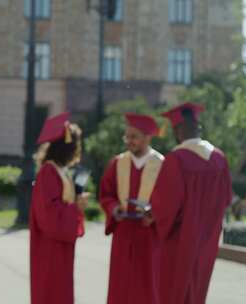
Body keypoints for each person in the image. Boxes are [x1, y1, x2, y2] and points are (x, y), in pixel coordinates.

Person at [146, 102, 232, 304]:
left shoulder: (177, 160)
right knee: (197, 291)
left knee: (173, 291)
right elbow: (226, 198)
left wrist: (152, 215)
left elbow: (165, 207)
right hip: (208, 241)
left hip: (179, 241)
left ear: (177, 130)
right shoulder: (219, 159)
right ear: (197, 126)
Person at [98, 113, 163, 304]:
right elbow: (105, 194)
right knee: (121, 283)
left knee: (148, 284)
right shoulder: (117, 163)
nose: (129, 141)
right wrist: (114, 208)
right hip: (124, 233)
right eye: (127, 136)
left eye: (134, 136)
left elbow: (170, 200)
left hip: (149, 233)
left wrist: (155, 214)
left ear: (147, 137)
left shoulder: (162, 165)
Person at [29, 112, 89, 304]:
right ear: (67, 148)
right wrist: (76, 207)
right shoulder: (49, 172)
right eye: (75, 146)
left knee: (60, 292)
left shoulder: (60, 171)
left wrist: (76, 202)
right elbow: (49, 215)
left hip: (60, 245)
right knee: (52, 293)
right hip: (50, 247)